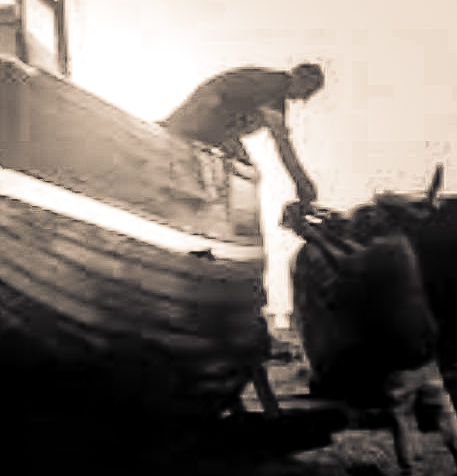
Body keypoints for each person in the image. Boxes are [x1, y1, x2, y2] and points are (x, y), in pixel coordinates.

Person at [283, 200, 457, 476]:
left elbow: (345, 262)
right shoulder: (398, 245)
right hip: (424, 349)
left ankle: (410, 470)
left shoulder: (379, 254)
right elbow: (353, 253)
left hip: (402, 355)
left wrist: (312, 234)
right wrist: (322, 223)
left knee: (401, 416)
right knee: (442, 407)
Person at [160, 63, 324, 205]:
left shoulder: (270, 85)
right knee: (244, 171)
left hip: (208, 118)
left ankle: (186, 172)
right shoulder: (274, 87)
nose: (302, 98)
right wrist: (302, 182)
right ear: (300, 78)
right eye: (307, 91)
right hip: (207, 117)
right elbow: (283, 145)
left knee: (244, 165)